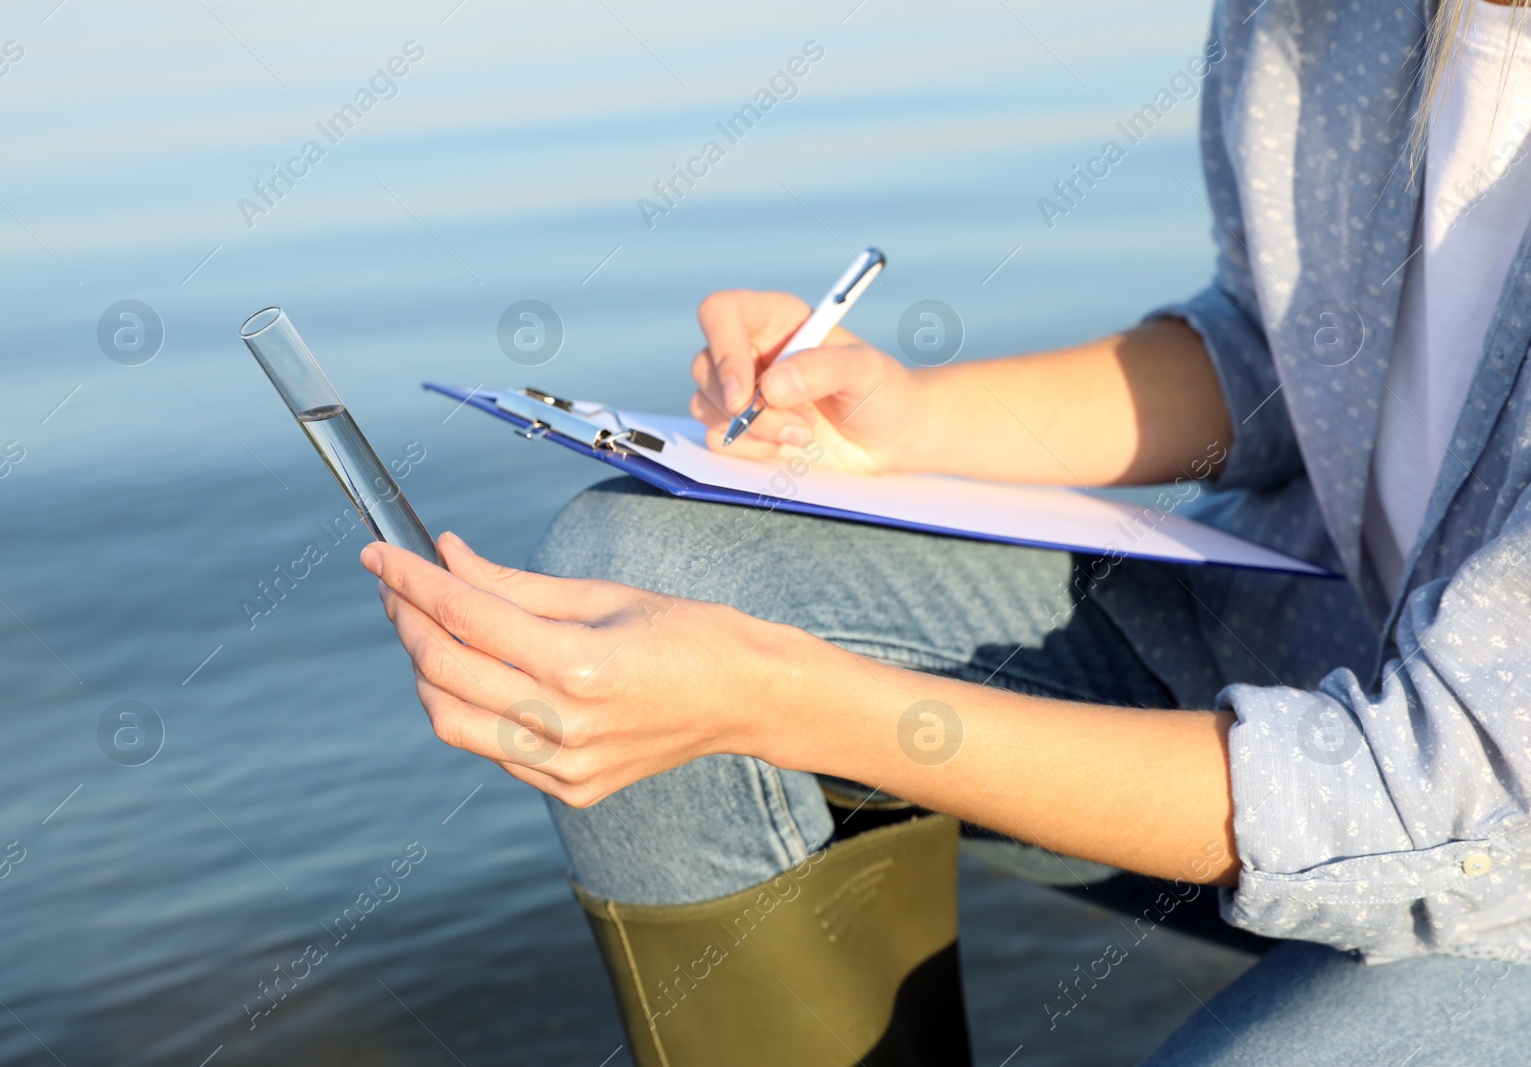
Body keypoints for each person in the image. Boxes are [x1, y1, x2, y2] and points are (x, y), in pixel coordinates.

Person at [360, 0, 1531, 1062]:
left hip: (1497, 862)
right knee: (639, 567)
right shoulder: (1316, 19)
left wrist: (782, 694)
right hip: (1307, 643)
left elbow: (1436, 802)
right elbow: (1286, 357)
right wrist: (909, 420)